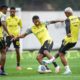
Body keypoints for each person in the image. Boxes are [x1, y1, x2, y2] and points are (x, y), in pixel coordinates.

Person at [42, 7, 80, 74]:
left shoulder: (68, 19)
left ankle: (67, 70)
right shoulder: (78, 18)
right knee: (60, 51)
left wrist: (68, 32)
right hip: (74, 40)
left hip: (68, 40)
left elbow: (67, 26)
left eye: (65, 13)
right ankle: (51, 60)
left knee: (61, 54)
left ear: (67, 13)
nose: (65, 15)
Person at [0, 5, 12, 75]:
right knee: (3, 52)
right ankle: (1, 70)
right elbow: (4, 25)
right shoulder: (2, 15)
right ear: (2, 9)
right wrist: (9, 34)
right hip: (0, 37)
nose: (6, 11)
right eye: (6, 9)